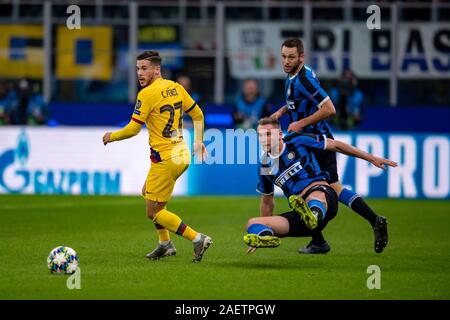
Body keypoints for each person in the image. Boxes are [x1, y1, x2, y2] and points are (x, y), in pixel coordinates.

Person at [271, 38, 389, 253]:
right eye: (284, 56)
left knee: (302, 188)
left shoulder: (304, 79)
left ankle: (362, 224)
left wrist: (301, 123)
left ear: (301, 57)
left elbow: (329, 109)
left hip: (313, 142)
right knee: (325, 187)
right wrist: (282, 111)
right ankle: (323, 239)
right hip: (307, 140)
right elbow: (300, 102)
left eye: (291, 57)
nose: (286, 61)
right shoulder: (295, 75)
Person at [102, 50, 212, 263]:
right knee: (148, 194)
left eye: (144, 68)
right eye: (137, 69)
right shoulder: (176, 87)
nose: (139, 73)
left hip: (166, 159)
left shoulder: (147, 94)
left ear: (157, 69)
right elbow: (197, 114)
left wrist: (111, 136)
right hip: (181, 154)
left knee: (153, 211)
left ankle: (197, 238)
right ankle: (165, 244)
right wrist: (199, 140)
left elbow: (133, 129)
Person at [244, 117, 397, 254]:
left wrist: (370, 158)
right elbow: (267, 201)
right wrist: (263, 230)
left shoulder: (296, 140)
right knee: (252, 223)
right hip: (301, 217)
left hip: (324, 197)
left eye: (268, 134)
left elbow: (336, 145)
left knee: (314, 196)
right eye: (261, 136)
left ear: (279, 134)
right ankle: (269, 237)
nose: (265, 139)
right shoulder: (264, 166)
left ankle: (313, 215)